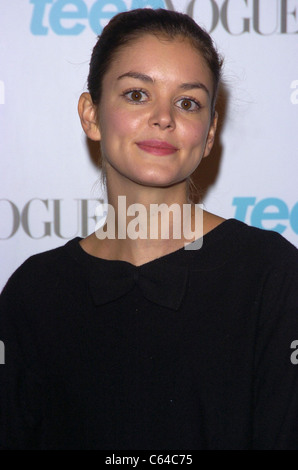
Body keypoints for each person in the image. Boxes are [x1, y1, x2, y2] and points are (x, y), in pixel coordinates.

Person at [0, 8, 298, 450]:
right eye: (137, 94)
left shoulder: (271, 275)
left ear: (210, 131)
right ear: (91, 114)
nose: (164, 118)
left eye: (188, 102)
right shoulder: (34, 292)